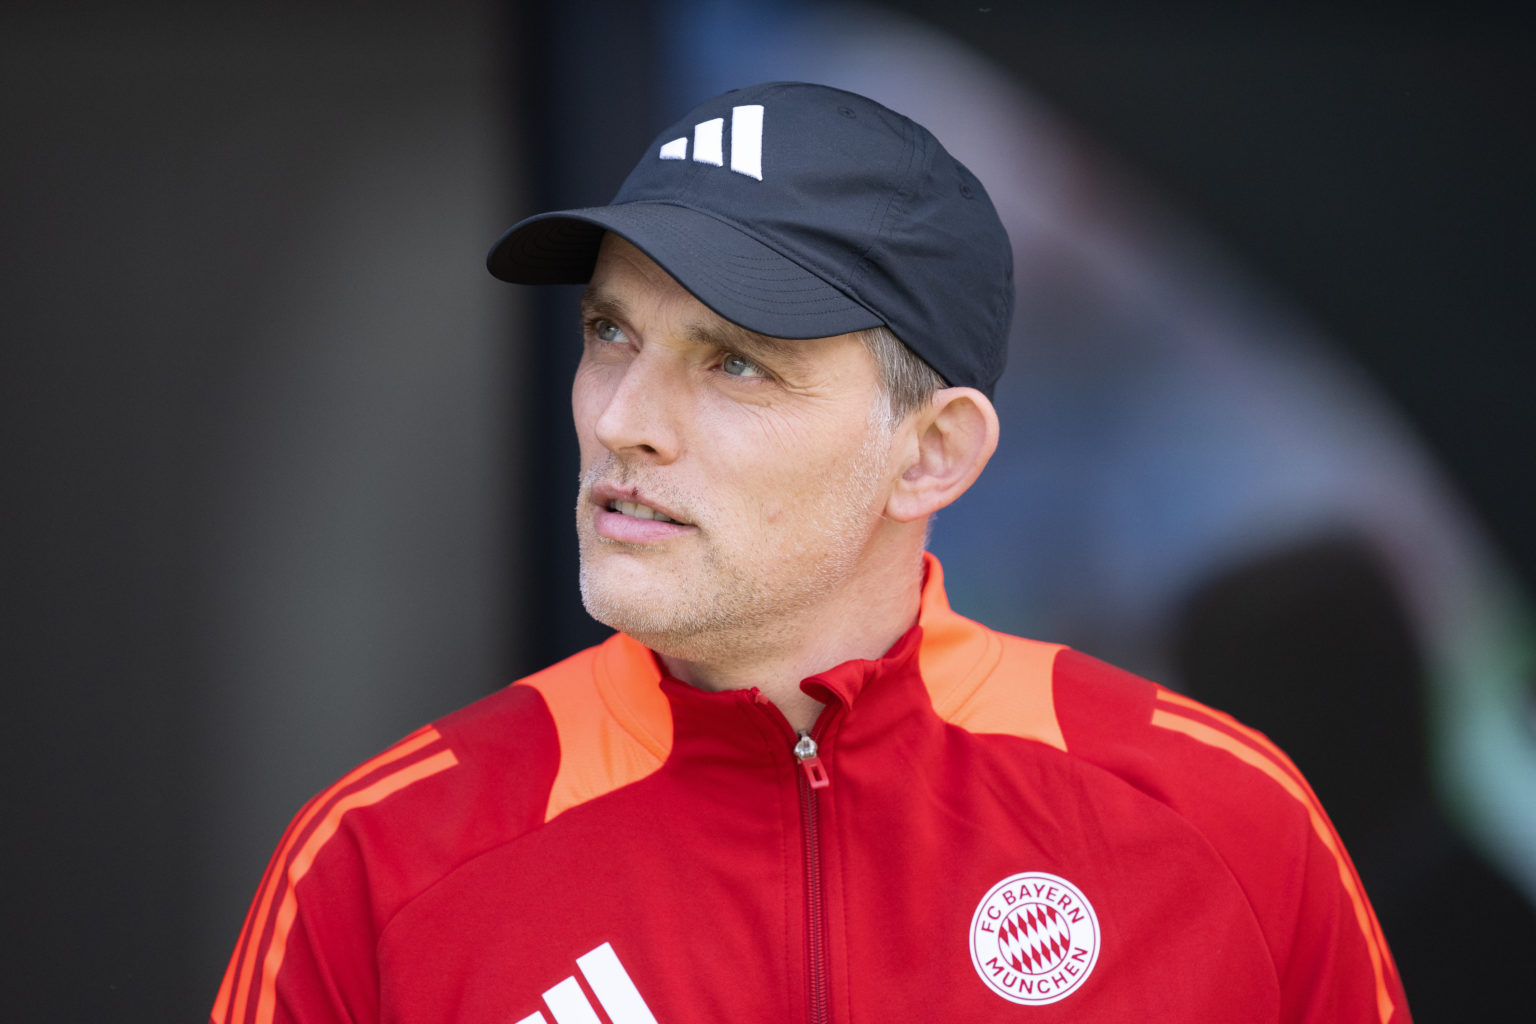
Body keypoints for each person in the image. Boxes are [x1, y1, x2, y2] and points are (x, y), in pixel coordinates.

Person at [210, 82, 1410, 1023]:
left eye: (735, 361)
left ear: (932, 453)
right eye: (610, 332)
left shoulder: (1220, 825)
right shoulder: (382, 863)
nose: (623, 415)